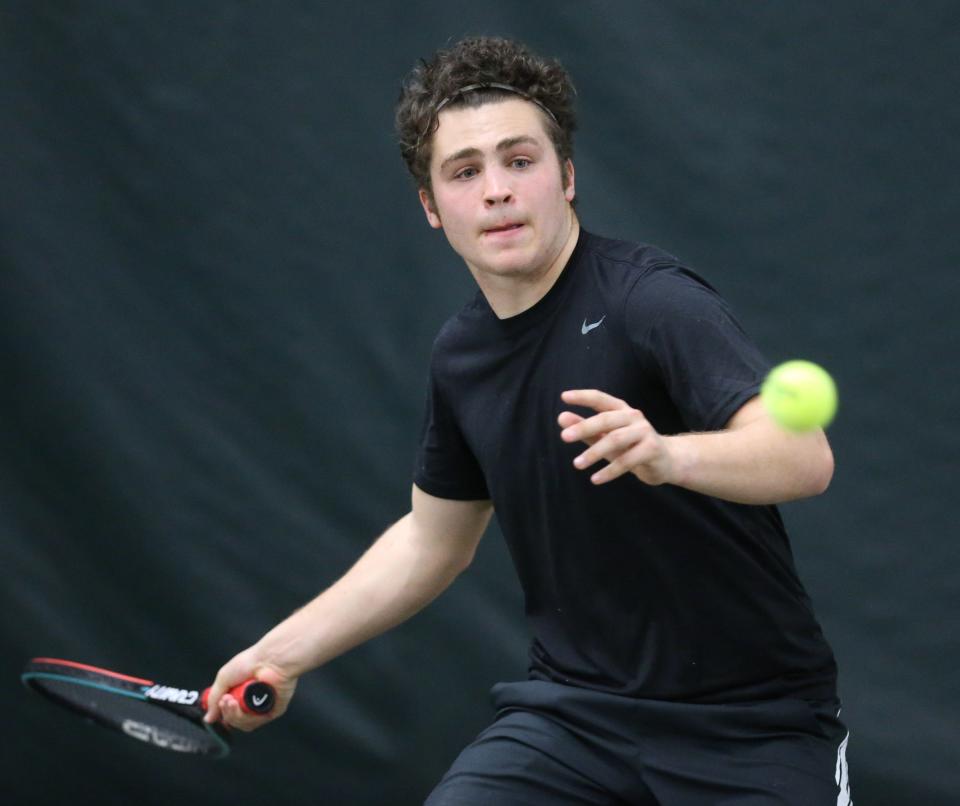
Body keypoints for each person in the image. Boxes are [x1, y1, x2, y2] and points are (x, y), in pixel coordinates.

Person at [205, 36, 852, 805]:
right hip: (575, 726)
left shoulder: (653, 302)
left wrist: (668, 456)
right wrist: (280, 655)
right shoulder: (462, 356)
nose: (497, 191)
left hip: (755, 727)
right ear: (432, 209)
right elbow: (430, 541)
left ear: (567, 178)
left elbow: (803, 456)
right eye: (465, 171)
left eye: (520, 161)